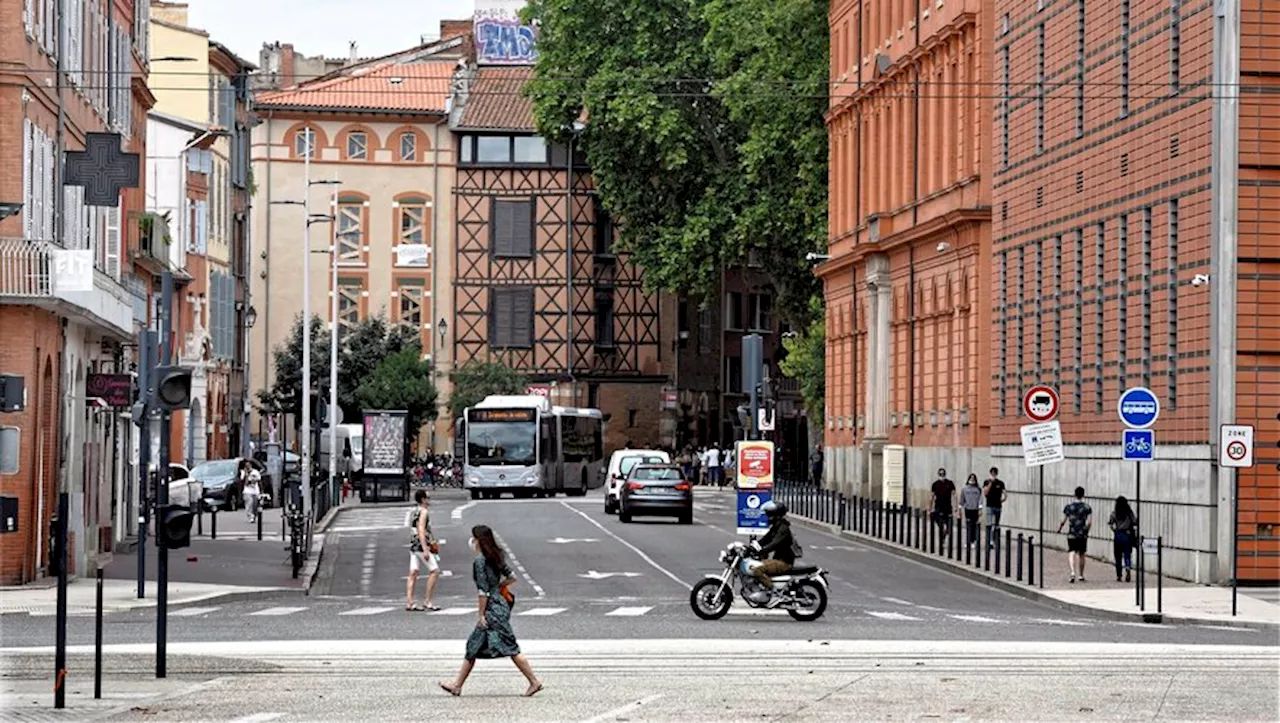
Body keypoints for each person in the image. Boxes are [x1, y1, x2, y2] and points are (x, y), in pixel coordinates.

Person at [440, 525, 542, 698]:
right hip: (500, 605)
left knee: (510, 647)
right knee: (473, 645)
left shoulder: (480, 562)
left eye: (473, 538)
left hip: (492, 609)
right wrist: (500, 586)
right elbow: (512, 576)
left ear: (479, 540)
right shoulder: (496, 557)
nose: (472, 542)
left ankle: (534, 681)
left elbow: (483, 591)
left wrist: (481, 614)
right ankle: (457, 685)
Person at [749, 501, 797, 605]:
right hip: (778, 560)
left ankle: (774, 593)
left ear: (776, 515)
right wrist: (750, 548)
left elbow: (774, 544)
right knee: (754, 565)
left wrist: (761, 550)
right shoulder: (776, 527)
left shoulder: (783, 529)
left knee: (757, 570)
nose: (767, 517)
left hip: (784, 562)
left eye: (769, 515)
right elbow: (764, 540)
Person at [406, 490, 441, 611]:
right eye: (428, 498)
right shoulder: (424, 512)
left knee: (413, 572)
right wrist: (425, 548)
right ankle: (428, 601)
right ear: (423, 499)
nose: (429, 500)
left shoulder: (415, 511)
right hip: (421, 544)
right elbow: (421, 529)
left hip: (413, 544)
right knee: (435, 571)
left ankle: (410, 602)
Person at [1058, 486, 1093, 583]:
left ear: (1074, 494)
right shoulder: (1087, 507)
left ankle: (1073, 572)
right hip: (1082, 534)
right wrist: (1087, 531)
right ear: (1083, 495)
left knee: (1072, 552)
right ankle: (1081, 575)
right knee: (1082, 553)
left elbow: (1063, 520)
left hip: (1072, 533)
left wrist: (1059, 529)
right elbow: (1089, 522)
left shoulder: (1069, 507)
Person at [1108, 496, 1137, 582]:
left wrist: (1115, 530)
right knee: (1127, 554)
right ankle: (1127, 567)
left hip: (1118, 535)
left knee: (1118, 556)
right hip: (1127, 535)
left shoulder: (1114, 513)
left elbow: (1111, 524)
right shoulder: (1129, 513)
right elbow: (1135, 522)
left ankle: (1119, 575)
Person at [983, 467, 1007, 550]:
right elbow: (985, 492)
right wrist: (990, 483)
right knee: (989, 524)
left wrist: (1003, 499)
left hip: (998, 506)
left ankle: (994, 541)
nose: (993, 475)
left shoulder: (1000, 483)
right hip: (990, 505)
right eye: (992, 473)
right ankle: (989, 542)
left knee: (996, 525)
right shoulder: (986, 482)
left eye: (995, 473)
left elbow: (1005, 493)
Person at [931, 468, 958, 542]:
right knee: (941, 525)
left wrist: (956, 507)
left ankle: (944, 535)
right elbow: (932, 496)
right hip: (938, 507)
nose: (942, 475)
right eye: (940, 474)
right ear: (938, 474)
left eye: (943, 474)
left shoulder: (950, 483)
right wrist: (929, 508)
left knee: (949, 526)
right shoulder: (935, 484)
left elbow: (954, 495)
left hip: (948, 507)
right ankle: (941, 540)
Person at [960, 473, 982, 546]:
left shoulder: (978, 489)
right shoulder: (964, 489)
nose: (972, 480)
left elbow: (980, 500)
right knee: (969, 525)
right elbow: (962, 499)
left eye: (973, 478)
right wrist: (960, 508)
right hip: (968, 509)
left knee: (974, 526)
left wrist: (980, 509)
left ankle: (973, 540)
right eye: (971, 478)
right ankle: (968, 540)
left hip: (975, 509)